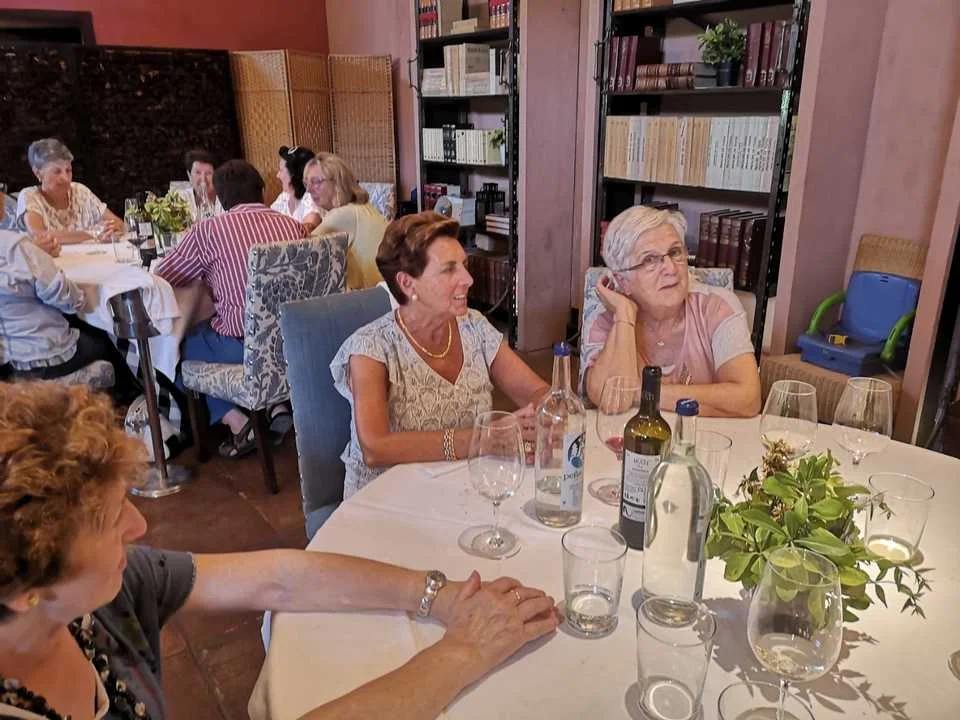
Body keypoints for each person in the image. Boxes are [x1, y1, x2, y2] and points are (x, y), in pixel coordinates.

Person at [0, 381, 560, 720]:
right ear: (27, 589)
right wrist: (462, 654)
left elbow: (277, 577)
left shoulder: (101, 597)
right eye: (107, 521)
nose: (140, 524)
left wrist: (440, 595)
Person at [332, 211, 550, 498]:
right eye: (449, 270)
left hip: (461, 490)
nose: (468, 279)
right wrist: (484, 439)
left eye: (464, 265)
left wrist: (549, 417)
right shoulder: (371, 347)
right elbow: (375, 448)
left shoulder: (474, 327)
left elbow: (536, 392)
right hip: (386, 501)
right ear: (408, 283)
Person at [155, 160, 306, 457]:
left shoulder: (209, 231)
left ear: (221, 198)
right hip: (296, 345)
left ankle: (236, 422)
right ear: (261, 191)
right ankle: (276, 405)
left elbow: (165, 275)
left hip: (246, 349)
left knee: (180, 345)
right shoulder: (293, 226)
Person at [582, 205, 761, 418]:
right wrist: (624, 314)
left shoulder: (717, 307)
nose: (671, 269)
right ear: (623, 281)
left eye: (675, 252)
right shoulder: (606, 320)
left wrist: (644, 392)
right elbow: (611, 400)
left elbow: (748, 399)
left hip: (703, 436)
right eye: (649, 260)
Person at [0, 229, 141, 405]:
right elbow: (70, 300)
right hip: (46, 355)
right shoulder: (17, 248)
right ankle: (133, 405)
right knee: (112, 337)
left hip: (9, 362)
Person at [16, 138, 123, 245]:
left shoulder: (80, 191)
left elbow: (118, 223)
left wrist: (111, 230)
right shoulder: (30, 195)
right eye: (57, 171)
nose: (65, 178)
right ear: (38, 173)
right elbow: (39, 234)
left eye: (68, 170)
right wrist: (94, 233)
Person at [305, 153, 386, 290]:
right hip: (382, 291)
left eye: (316, 182)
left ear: (337, 183)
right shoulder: (362, 207)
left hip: (369, 296)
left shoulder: (343, 214)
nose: (309, 189)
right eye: (307, 183)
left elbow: (302, 252)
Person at [270, 145, 321, 230]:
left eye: (281, 170)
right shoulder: (284, 197)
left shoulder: (311, 198)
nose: (278, 175)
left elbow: (307, 231)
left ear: (294, 175)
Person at [177, 149, 224, 223]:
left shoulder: (225, 198)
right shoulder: (181, 198)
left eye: (208, 173)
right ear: (189, 175)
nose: (203, 179)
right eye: (198, 172)